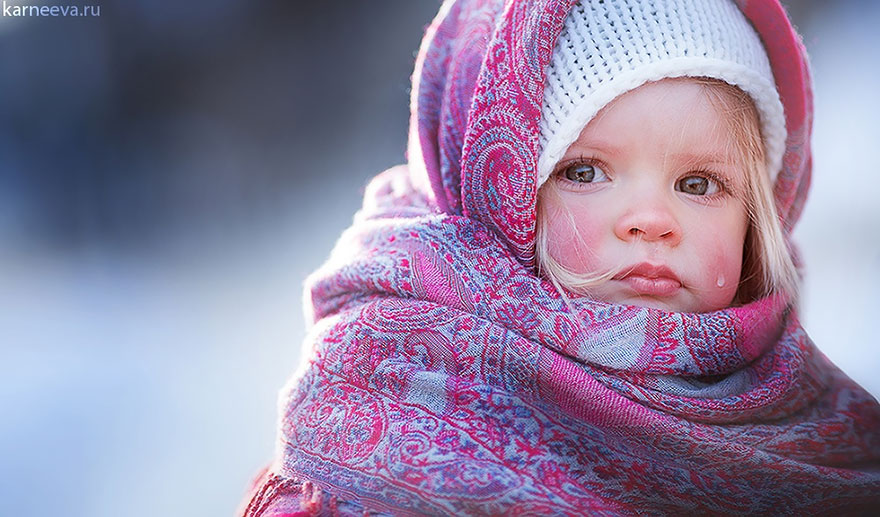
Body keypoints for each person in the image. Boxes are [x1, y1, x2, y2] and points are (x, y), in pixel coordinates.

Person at [240, 0, 880, 514]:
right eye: (585, 171)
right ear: (498, 187)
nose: (652, 221)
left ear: (758, 215)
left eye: (698, 185)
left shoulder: (814, 428)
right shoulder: (396, 380)